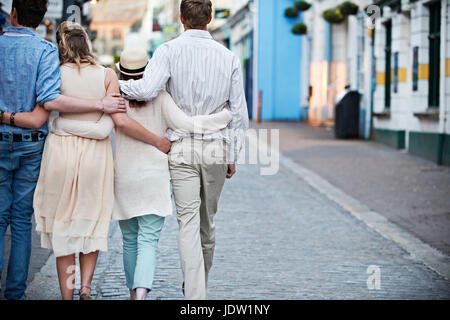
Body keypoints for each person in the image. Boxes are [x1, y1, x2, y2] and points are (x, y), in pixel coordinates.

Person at [56, 47, 232, 300]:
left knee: (129, 240)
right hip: (155, 177)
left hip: (124, 176)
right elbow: (187, 125)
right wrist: (223, 117)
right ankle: (140, 295)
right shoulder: (161, 97)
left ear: (120, 72)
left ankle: (130, 293)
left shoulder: (116, 98)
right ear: (149, 71)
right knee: (148, 240)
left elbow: (102, 128)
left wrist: (58, 124)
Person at [119, 0, 249, 299]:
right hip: (216, 148)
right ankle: (197, 286)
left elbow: (146, 89)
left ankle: (194, 293)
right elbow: (238, 113)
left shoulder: (168, 51)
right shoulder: (228, 57)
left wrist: (115, 84)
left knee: (187, 223)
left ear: (181, 18)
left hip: (181, 150)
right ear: (210, 18)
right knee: (207, 223)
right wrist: (233, 154)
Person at [0, 0, 124, 300]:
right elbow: (102, 125)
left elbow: (51, 107)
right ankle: (73, 287)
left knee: (51, 224)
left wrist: (57, 127)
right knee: (77, 221)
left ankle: (64, 294)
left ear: (12, 13)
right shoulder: (98, 72)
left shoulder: (54, 66)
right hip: (67, 151)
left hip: (52, 152)